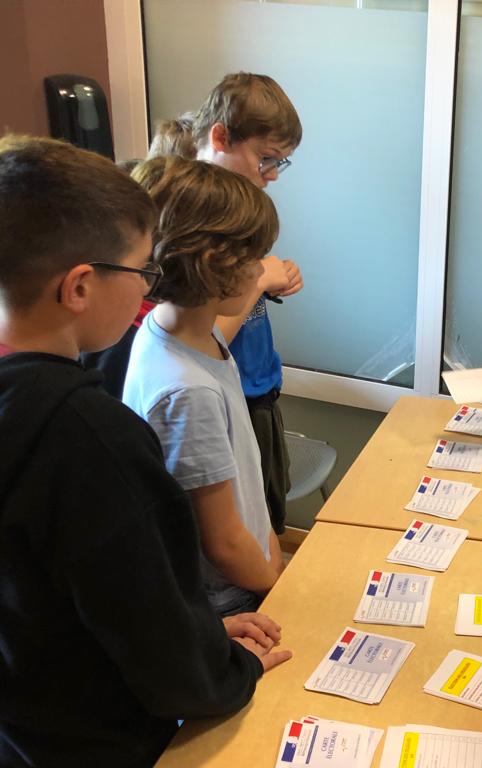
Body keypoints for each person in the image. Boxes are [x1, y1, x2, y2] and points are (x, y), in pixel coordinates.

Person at [0, 135, 291, 767]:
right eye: (140, 270)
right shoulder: (88, 436)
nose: (148, 287)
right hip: (98, 740)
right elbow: (156, 646)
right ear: (80, 286)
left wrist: (201, 632)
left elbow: (88, 602)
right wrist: (229, 667)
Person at [123, 156, 286, 617]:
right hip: (226, 601)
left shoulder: (181, 330)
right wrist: (279, 584)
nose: (259, 273)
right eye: (252, 259)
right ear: (214, 265)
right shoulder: (186, 390)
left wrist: (270, 547)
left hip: (247, 571)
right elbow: (224, 543)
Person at [194, 72, 305, 537]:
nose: (272, 174)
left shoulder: (236, 209)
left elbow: (235, 293)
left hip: (259, 393)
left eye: (281, 162)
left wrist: (267, 278)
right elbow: (199, 341)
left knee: (267, 524)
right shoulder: (191, 221)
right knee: (241, 537)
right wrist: (258, 281)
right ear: (220, 137)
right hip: (223, 406)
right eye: (266, 158)